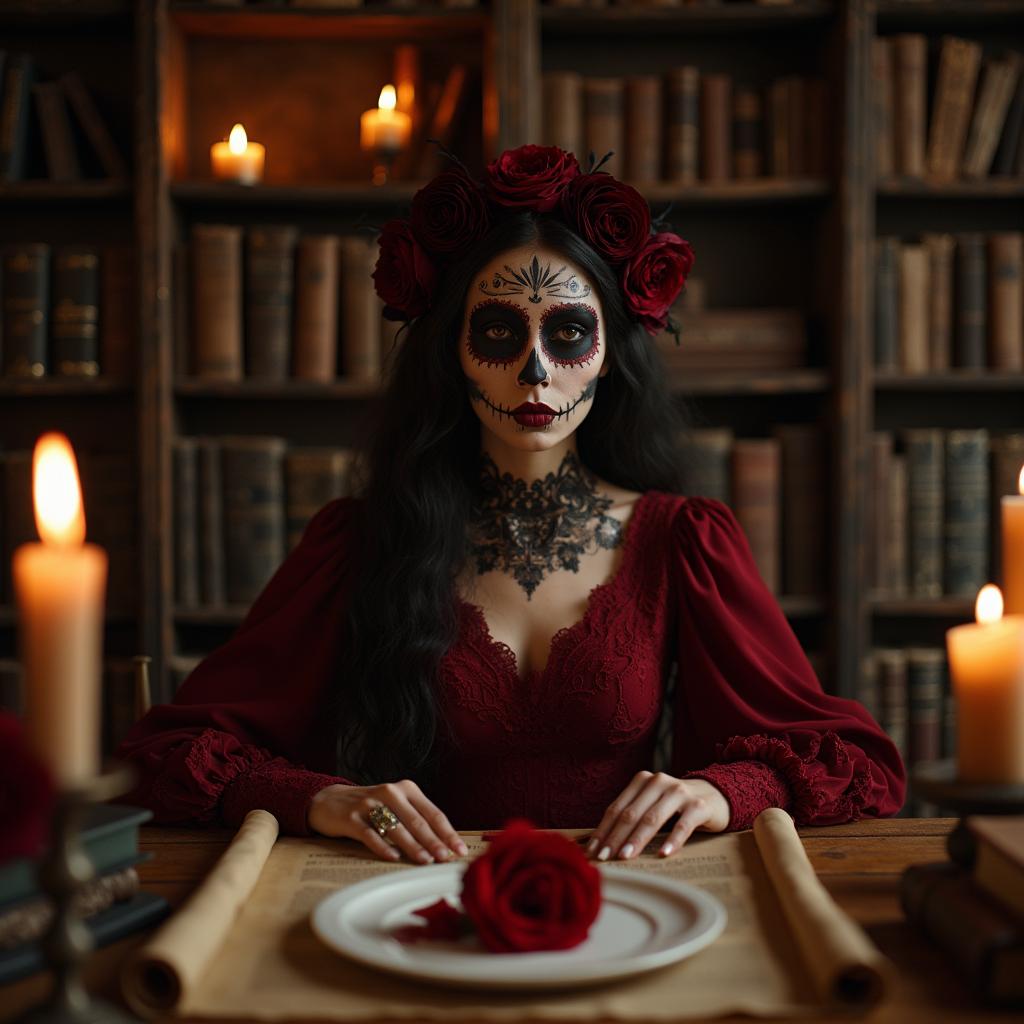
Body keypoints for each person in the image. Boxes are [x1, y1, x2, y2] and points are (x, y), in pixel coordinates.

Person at [117, 145, 904, 867]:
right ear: (452, 355)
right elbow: (170, 753)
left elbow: (854, 760)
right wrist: (318, 797)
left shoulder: (681, 540)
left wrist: (721, 790)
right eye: (497, 331)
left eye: (567, 334)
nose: (535, 374)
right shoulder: (360, 542)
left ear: (610, 358)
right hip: (416, 907)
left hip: (631, 908)